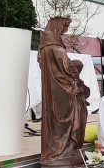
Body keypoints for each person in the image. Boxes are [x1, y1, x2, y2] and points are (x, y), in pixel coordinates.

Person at [39, 17, 90, 166]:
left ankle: (62, 151)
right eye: (65, 26)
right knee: (65, 120)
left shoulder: (46, 45)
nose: (65, 30)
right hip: (61, 92)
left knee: (57, 122)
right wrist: (76, 85)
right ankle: (60, 153)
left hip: (55, 90)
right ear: (57, 24)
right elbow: (65, 71)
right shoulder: (55, 47)